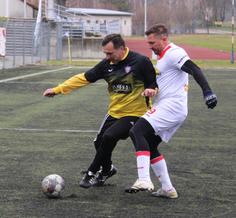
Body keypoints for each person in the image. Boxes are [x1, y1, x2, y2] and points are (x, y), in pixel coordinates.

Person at [43, 34, 158, 188]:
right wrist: (57, 90)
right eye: (105, 53)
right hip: (114, 112)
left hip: (136, 114)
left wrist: (151, 90)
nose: (107, 57)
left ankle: (91, 172)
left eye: (110, 53)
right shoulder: (107, 64)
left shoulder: (141, 61)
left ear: (122, 48)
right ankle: (107, 169)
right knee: (99, 142)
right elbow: (83, 78)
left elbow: (153, 83)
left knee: (109, 136)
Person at [125, 24, 217, 199]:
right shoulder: (162, 57)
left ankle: (144, 179)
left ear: (164, 38)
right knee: (150, 145)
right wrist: (153, 90)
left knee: (136, 131)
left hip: (171, 107)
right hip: (170, 107)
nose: (150, 46)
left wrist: (207, 92)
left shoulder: (174, 53)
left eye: (152, 42)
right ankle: (168, 189)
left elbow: (194, 69)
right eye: (148, 43)